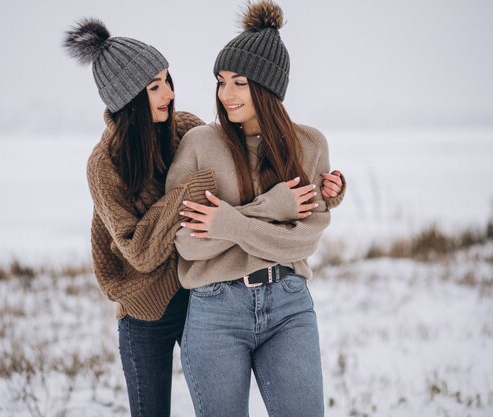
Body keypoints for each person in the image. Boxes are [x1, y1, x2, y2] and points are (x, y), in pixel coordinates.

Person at [64, 17, 335, 417]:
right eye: (154, 87)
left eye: (167, 80)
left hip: (205, 293)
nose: (169, 93)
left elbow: (284, 209)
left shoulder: (186, 130)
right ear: (128, 97)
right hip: (148, 308)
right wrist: (198, 201)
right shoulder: (106, 165)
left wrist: (326, 192)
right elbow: (150, 248)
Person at [165, 1, 345, 416]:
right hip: (214, 309)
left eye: (239, 82)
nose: (225, 94)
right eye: (220, 82)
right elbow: (188, 245)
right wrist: (272, 210)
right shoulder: (199, 145)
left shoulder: (309, 145)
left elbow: (303, 240)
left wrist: (228, 222)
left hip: (289, 304)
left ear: (266, 87)